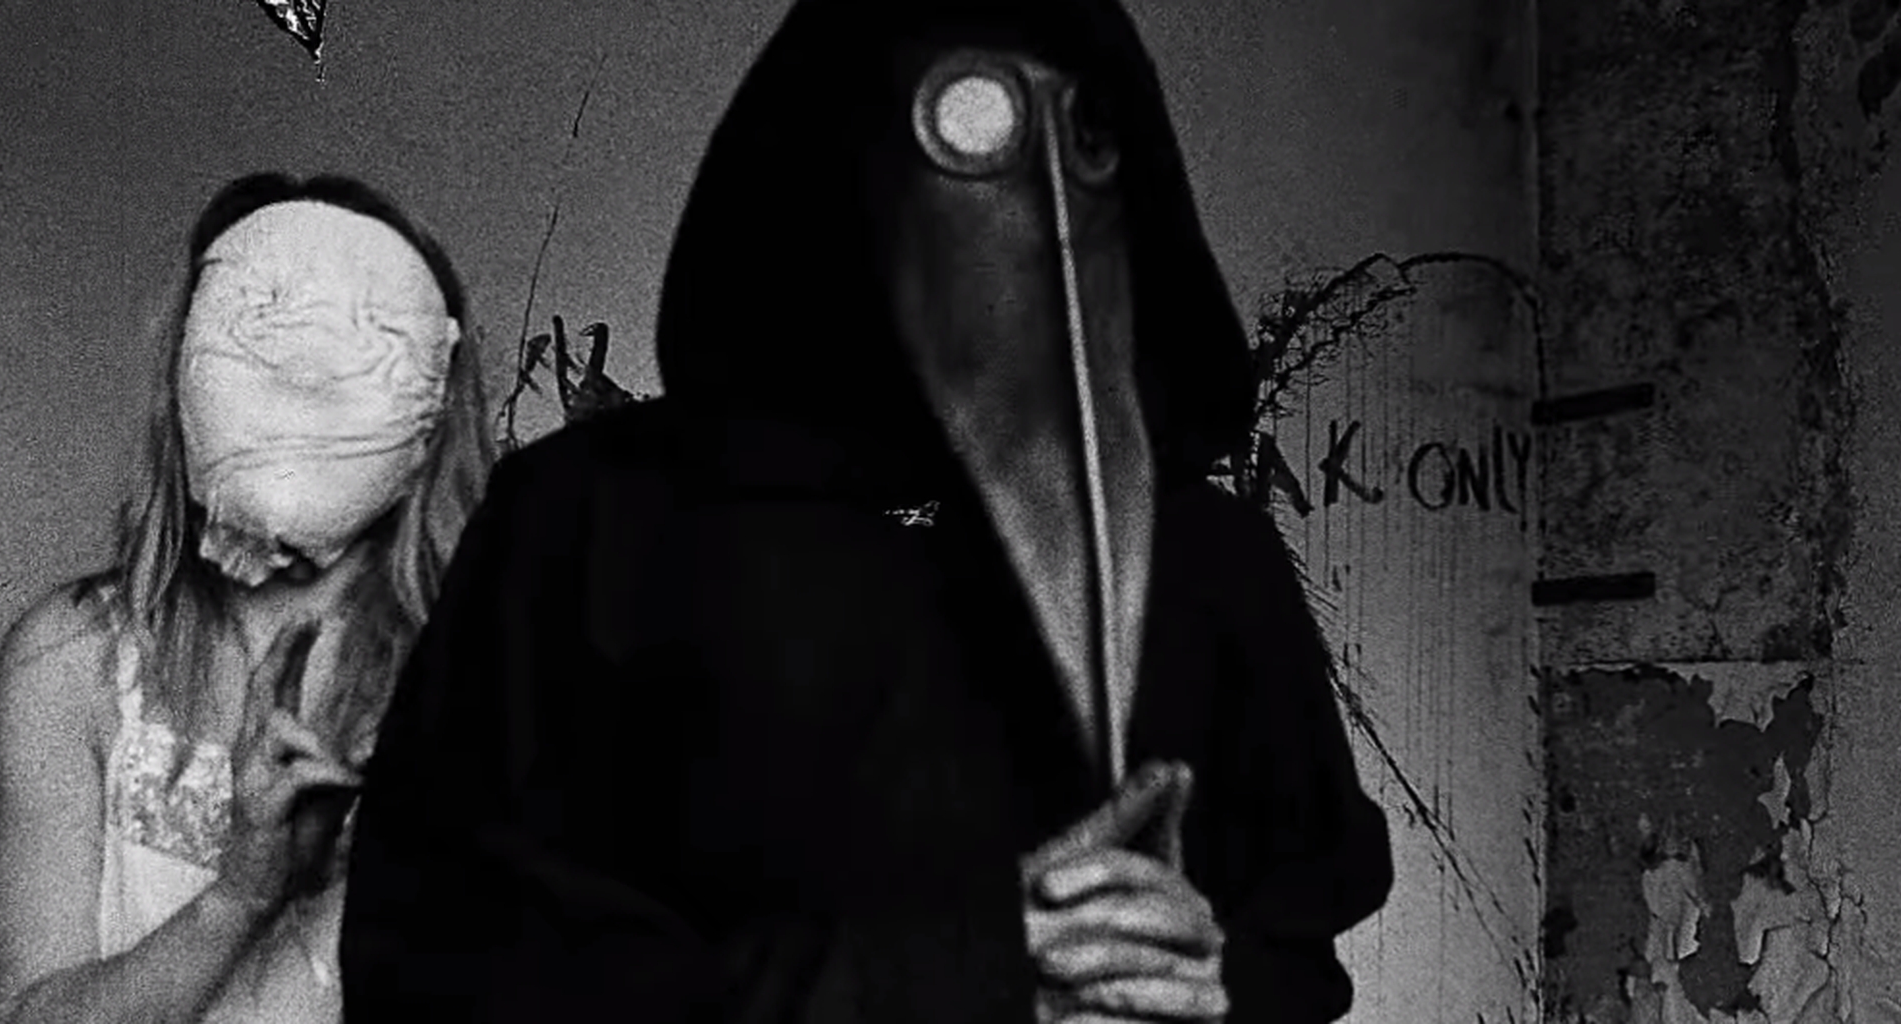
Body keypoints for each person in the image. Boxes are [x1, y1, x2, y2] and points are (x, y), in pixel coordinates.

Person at [340, 0, 1394, 1020]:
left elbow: (1293, 946)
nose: (1025, 205)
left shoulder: (1205, 563)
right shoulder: (592, 526)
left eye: (1082, 140)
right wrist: (957, 976)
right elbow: (444, 960)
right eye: (968, 128)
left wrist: (1186, 982)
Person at [0, 172, 496, 1024]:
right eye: (261, 334)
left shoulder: (482, 687)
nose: (299, 383)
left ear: (432, 404)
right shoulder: (73, 660)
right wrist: (243, 893)